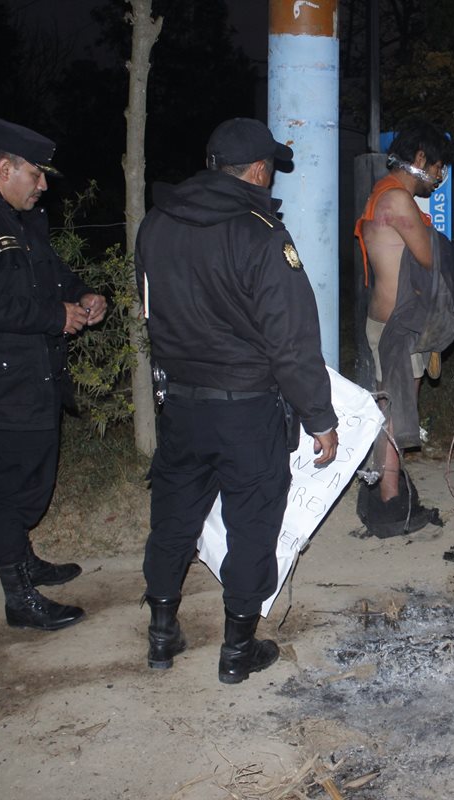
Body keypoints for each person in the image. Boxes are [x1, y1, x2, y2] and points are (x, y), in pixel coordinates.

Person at [135, 117, 338, 685]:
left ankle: (161, 633)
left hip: (180, 403)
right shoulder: (261, 235)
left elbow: (151, 313)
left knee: (174, 518)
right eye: (269, 172)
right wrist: (320, 418)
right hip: (246, 408)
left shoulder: (155, 225)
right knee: (252, 526)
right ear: (256, 171)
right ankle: (236, 652)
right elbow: (291, 342)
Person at [0, 118, 108, 632]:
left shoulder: (18, 219)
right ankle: (18, 597)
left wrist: (82, 294)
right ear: (6, 168)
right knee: (15, 491)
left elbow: (50, 274)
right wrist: (53, 317)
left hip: (32, 376)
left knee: (36, 474)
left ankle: (23, 558)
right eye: (37, 174)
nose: (44, 185)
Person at [353, 122, 454, 537]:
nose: (438, 180)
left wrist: (453, 245)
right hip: (399, 327)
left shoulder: (383, 193)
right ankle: (390, 501)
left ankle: (384, 490)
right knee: (396, 411)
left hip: (388, 322)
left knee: (388, 407)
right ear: (420, 160)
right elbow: (430, 259)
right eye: (437, 169)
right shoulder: (399, 199)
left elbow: (425, 246)